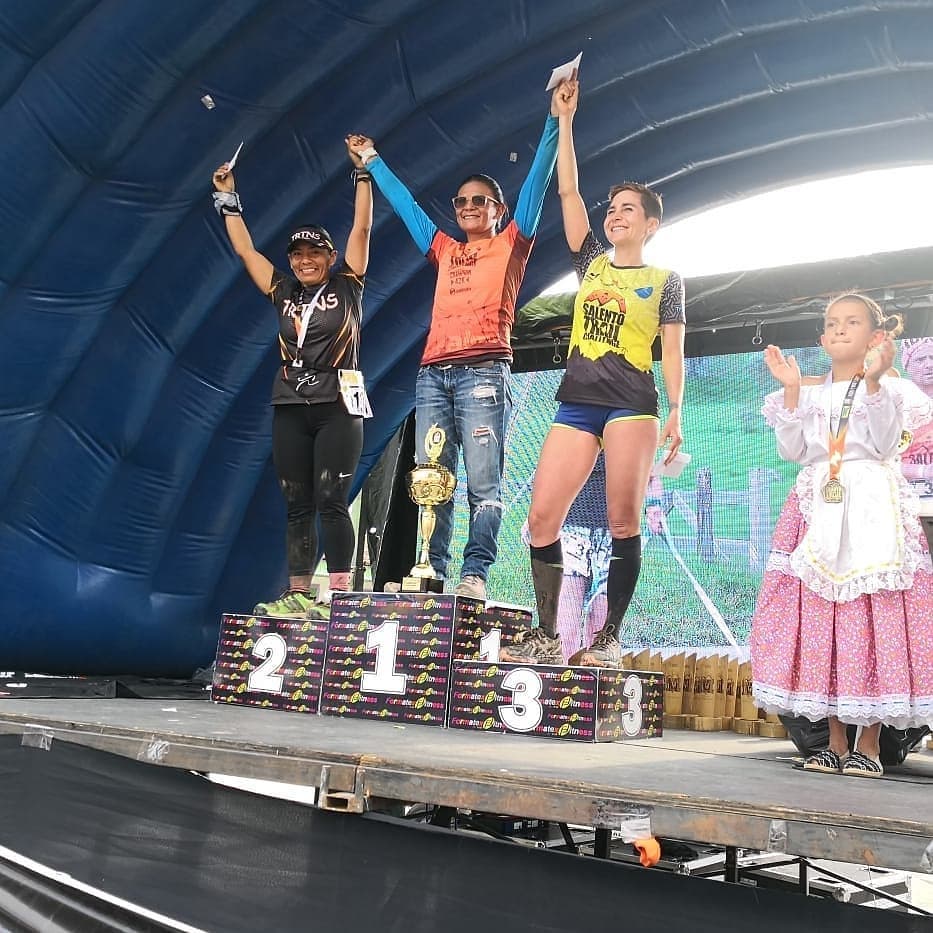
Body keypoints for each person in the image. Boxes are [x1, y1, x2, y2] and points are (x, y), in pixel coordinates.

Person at [347, 89, 559, 600]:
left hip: (484, 370)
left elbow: (538, 179)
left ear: (498, 209)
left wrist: (555, 120)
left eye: (478, 201)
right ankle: (430, 572)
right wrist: (372, 160)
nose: (466, 207)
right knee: (431, 479)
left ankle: (475, 574)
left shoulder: (513, 241)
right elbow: (406, 206)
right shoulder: (443, 248)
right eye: (461, 202)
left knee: (483, 484)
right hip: (433, 374)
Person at [501, 76, 685, 666]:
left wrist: (676, 411)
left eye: (629, 209)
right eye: (613, 209)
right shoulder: (591, 265)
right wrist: (565, 119)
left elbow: (673, 350)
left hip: (632, 404)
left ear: (651, 224)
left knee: (622, 519)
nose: (616, 215)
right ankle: (547, 633)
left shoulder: (665, 280)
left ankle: (607, 639)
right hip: (577, 401)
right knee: (541, 519)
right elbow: (569, 190)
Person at [750, 293, 933, 777]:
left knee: (872, 617)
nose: (839, 330)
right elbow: (793, 450)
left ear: (876, 337)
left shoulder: (891, 388)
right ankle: (833, 741)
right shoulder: (811, 392)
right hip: (819, 504)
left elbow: (884, 443)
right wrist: (792, 391)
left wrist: (873, 382)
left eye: (852, 322)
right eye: (832, 323)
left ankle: (868, 743)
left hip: (872, 504)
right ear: (821, 338)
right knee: (824, 620)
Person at [211, 137, 374, 616]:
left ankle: (339, 596)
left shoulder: (348, 283)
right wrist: (227, 198)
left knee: (331, 497)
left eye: (314, 253)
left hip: (338, 402)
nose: (305, 260)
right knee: (296, 500)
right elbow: (246, 251)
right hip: (289, 401)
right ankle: (299, 593)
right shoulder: (282, 291)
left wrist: (362, 173)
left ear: (330, 257)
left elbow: (362, 226)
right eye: (297, 254)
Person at [899, 337, 933, 550]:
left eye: (932, 358)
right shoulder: (897, 405)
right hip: (907, 508)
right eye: (921, 359)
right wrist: (924, 471)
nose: (929, 364)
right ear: (907, 365)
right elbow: (884, 462)